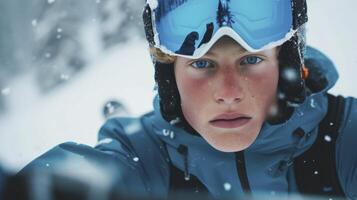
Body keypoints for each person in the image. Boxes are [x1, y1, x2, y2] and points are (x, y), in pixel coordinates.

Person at [15, 0, 357, 199]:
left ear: (286, 70)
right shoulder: (143, 156)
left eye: (251, 60)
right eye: (202, 64)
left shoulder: (343, 139)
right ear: (170, 79)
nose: (228, 93)